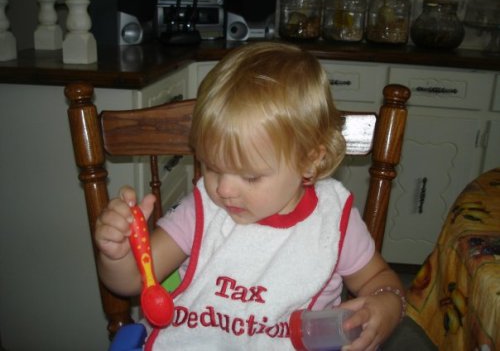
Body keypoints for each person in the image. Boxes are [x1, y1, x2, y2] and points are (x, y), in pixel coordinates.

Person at [95, 42, 405, 351]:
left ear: (309, 162)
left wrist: (386, 306)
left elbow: (378, 279)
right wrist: (117, 254)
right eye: (213, 167)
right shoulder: (202, 210)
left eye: (250, 176)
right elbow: (133, 281)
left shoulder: (333, 222)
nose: (224, 190)